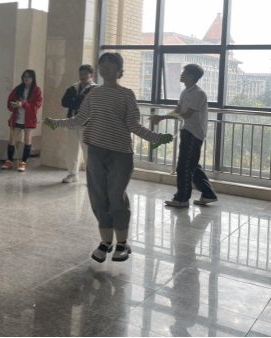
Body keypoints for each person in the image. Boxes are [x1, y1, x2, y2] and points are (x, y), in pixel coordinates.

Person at [46, 53, 170, 263]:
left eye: (110, 65)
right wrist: (56, 123)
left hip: (120, 154)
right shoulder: (93, 94)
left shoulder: (126, 94)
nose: (105, 68)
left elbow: (133, 125)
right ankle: (105, 242)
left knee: (116, 197)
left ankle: (122, 243)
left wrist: (156, 138)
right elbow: (79, 119)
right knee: (98, 198)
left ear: (119, 69)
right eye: (102, 65)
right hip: (95, 152)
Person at [151, 64, 218, 208]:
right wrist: (161, 117)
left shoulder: (199, 93)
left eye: (184, 72)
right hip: (186, 130)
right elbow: (178, 110)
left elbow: (187, 114)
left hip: (194, 133)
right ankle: (208, 194)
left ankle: (182, 198)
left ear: (191, 76)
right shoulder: (185, 92)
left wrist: (163, 117)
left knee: (184, 166)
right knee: (192, 165)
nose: (181, 75)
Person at [60, 64, 97, 183]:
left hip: (87, 125)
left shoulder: (95, 89)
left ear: (91, 76)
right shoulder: (73, 88)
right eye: (81, 74)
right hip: (73, 122)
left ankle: (92, 178)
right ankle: (72, 174)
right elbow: (64, 102)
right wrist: (78, 100)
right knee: (72, 150)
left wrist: (75, 100)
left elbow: (92, 105)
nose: (82, 76)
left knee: (88, 152)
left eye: (86, 74)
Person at [2, 69, 43, 172]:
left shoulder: (37, 90)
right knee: (12, 140)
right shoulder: (18, 89)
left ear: (33, 78)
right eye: (24, 76)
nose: (26, 78)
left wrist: (23, 104)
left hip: (29, 120)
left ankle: (23, 162)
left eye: (29, 76)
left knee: (27, 140)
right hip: (17, 119)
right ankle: (9, 161)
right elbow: (9, 101)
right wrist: (13, 104)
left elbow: (36, 107)